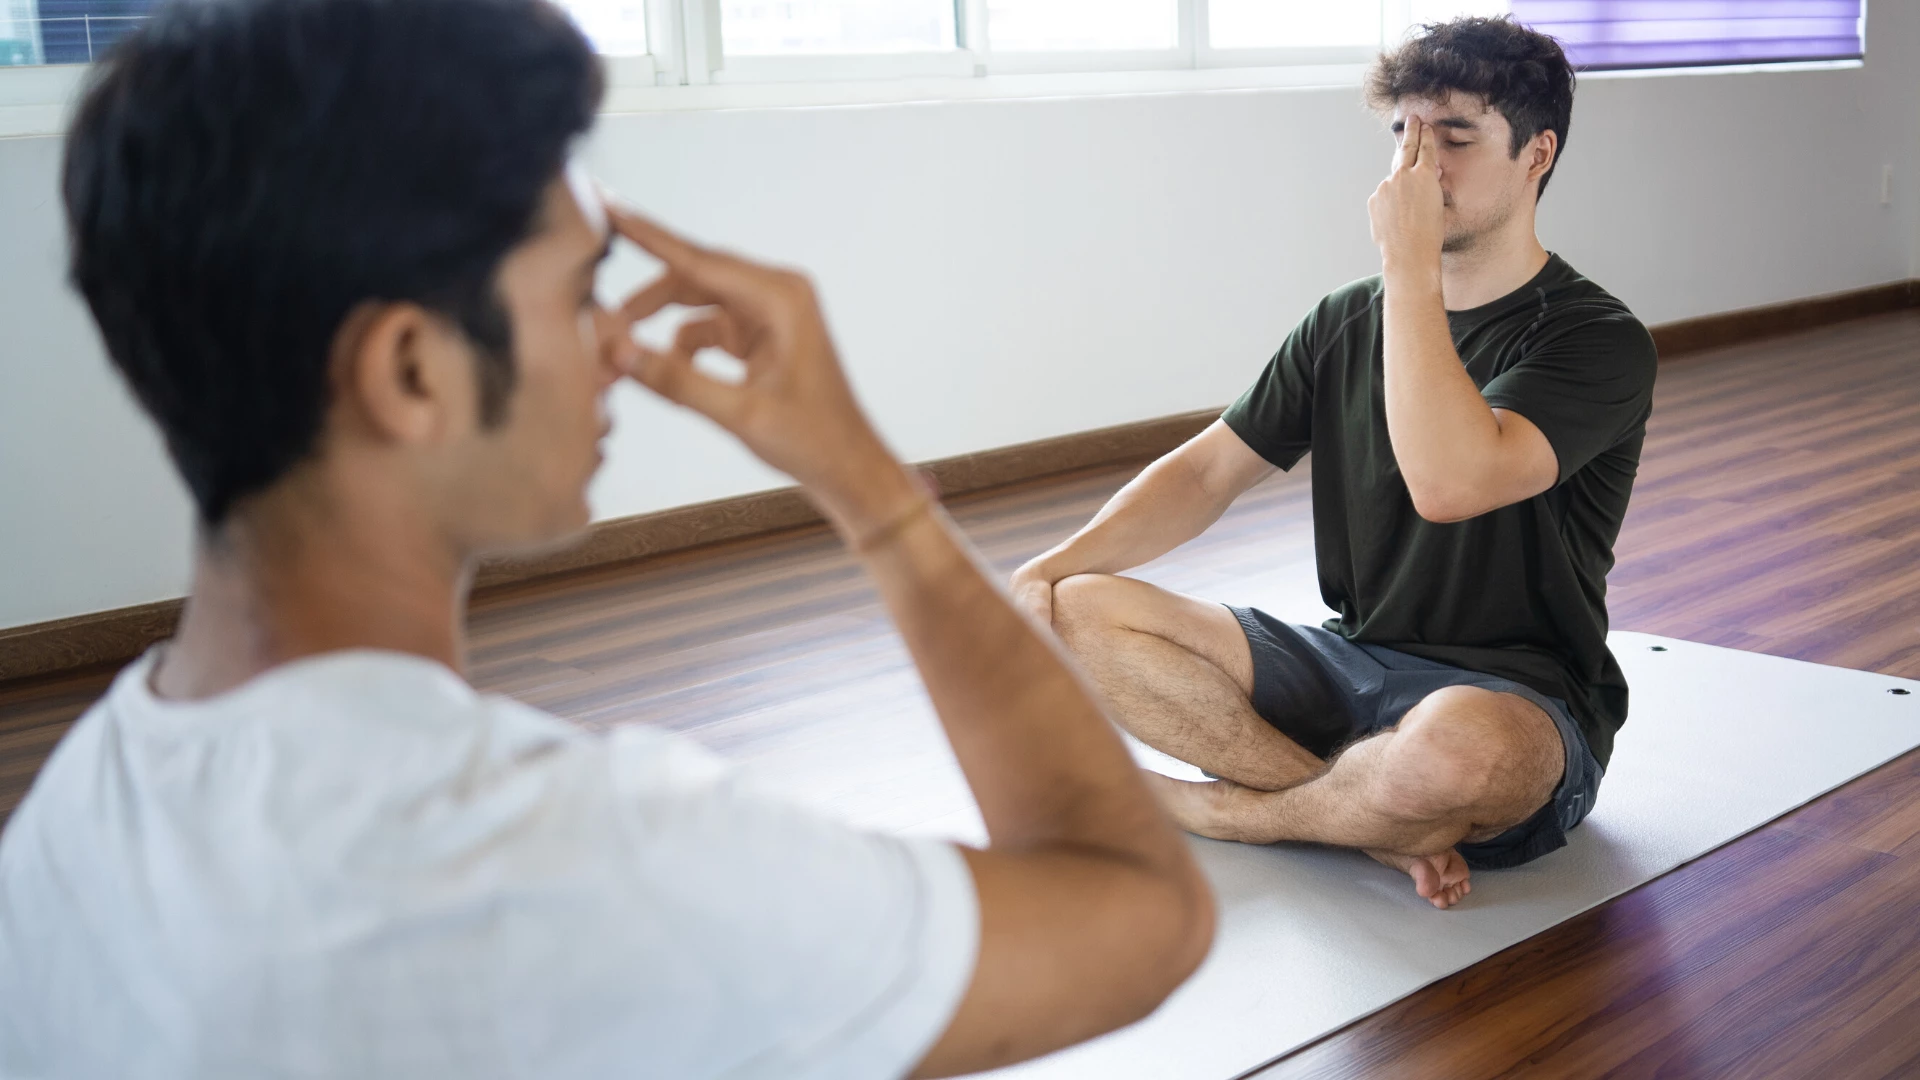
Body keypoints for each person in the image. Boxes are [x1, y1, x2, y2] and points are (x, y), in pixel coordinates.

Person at [0, 0, 1214, 1074]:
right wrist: (871, 488)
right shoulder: (580, 862)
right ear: (410, 369)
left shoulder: (69, 820)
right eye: (581, 292)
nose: (620, 347)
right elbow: (1144, 912)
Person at [1010, 17, 1658, 911]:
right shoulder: (1345, 318)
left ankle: (1233, 812)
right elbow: (1206, 473)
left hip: (1515, 698)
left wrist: (1408, 267)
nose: (1417, 168)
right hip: (1349, 662)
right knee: (1081, 607)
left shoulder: (1597, 338)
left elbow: (1450, 482)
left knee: (1450, 754)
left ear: (1537, 152)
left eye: (1456, 138)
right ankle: (1365, 818)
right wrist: (1044, 574)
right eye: (1405, 134)